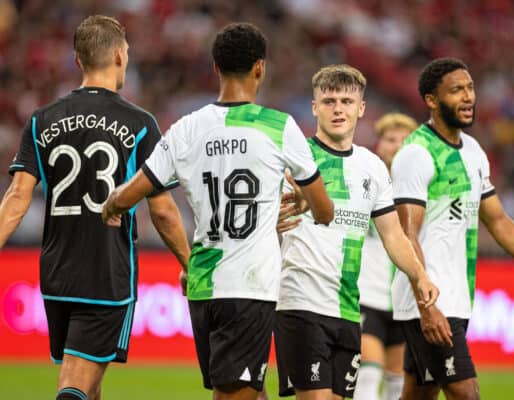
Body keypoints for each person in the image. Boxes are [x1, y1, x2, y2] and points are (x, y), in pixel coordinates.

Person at [102, 22, 334, 400]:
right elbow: (324, 211)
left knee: (244, 391)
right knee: (235, 395)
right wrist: (305, 201)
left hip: (204, 286)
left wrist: (112, 205)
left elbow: (134, 193)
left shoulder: (186, 129)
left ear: (215, 68)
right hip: (249, 286)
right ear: (260, 67)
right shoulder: (280, 127)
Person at [0, 15, 189, 400]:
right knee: (75, 383)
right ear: (120, 57)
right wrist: (190, 263)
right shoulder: (139, 124)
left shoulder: (41, 120)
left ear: (77, 60)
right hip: (106, 273)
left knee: (89, 382)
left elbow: (17, 197)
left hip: (55, 273)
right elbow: (164, 210)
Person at [391, 57, 514, 400]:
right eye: (456, 90)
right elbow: (406, 233)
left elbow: (499, 221)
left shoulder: (474, 152)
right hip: (429, 302)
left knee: (418, 395)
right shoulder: (416, 154)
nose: (468, 97)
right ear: (431, 100)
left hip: (458, 298)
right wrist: (426, 303)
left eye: (470, 88)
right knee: (467, 394)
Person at [274, 64, 438, 400]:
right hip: (300, 303)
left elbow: (393, 235)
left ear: (361, 108)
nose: (338, 109)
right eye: (330, 100)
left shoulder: (372, 166)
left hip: (347, 307)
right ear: (314, 107)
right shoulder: (294, 160)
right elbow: (261, 220)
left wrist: (419, 277)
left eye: (347, 102)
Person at [354, 113, 418, 400]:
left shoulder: (422, 190)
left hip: (404, 299)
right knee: (367, 377)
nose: (397, 146)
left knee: (397, 383)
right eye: (391, 139)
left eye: (405, 141)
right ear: (378, 145)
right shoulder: (362, 181)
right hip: (366, 293)